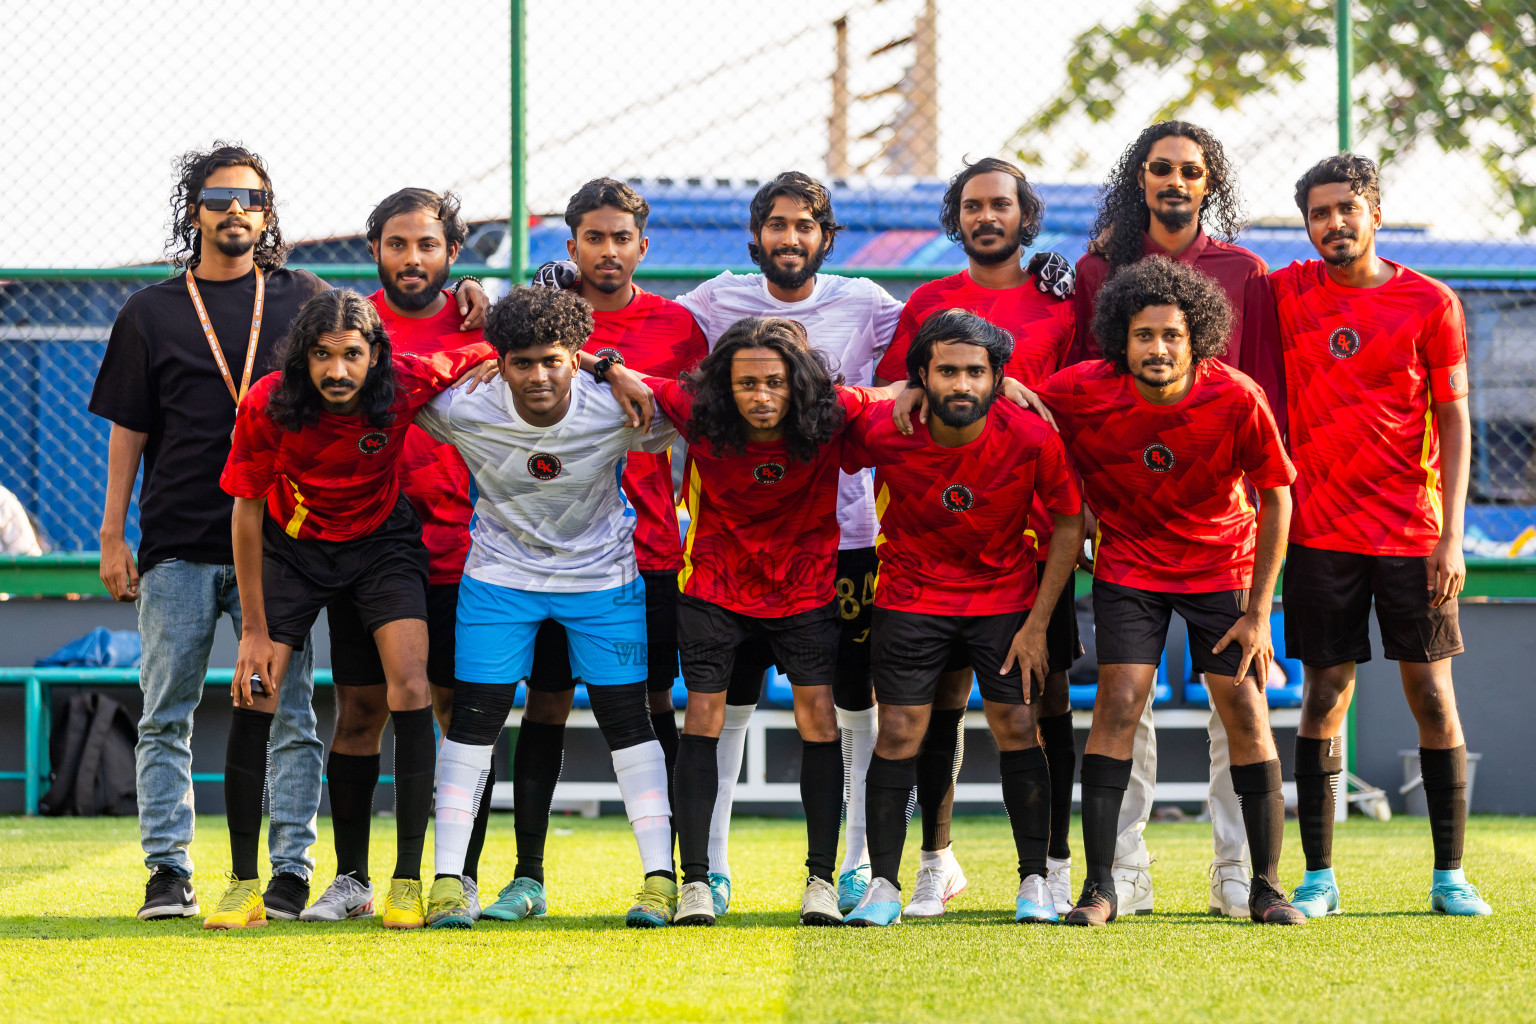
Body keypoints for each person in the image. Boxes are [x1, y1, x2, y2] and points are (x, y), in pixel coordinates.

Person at [90, 144, 489, 924]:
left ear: (269, 211)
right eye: (217, 196)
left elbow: (418, 322)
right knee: (173, 708)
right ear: (193, 207)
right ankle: (173, 873)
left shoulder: (308, 295)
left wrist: (478, 293)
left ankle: (299, 873)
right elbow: (131, 428)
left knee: (305, 713)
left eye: (250, 197)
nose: (234, 209)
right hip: (188, 538)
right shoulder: (153, 312)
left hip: (317, 546)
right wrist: (113, 532)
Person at [1030, 257, 1304, 926]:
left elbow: (1277, 498)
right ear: (1121, 341)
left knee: (1243, 708)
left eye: (1172, 336)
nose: (1158, 348)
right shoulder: (1082, 389)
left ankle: (1262, 886)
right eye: (1144, 335)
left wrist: (1260, 612)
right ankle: (1102, 887)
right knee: (1119, 702)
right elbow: (1020, 401)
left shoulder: (1236, 396)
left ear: (1196, 338)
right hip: (1131, 565)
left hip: (1221, 565)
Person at [608, 316, 906, 927]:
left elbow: (890, 391)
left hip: (804, 591)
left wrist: (984, 385)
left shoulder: (829, 411)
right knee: (705, 717)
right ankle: (695, 883)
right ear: (726, 385)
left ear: (797, 383)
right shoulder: (698, 409)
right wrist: (605, 362)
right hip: (715, 585)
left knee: (818, 718)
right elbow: (622, 373)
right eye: (747, 384)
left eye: (774, 382)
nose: (762, 396)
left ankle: (821, 880)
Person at [214, 289, 493, 930]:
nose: (337, 370)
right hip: (297, 549)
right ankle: (242, 884)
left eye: (351, 354)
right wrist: (253, 630)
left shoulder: (404, 384)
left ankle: (404, 881)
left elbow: (490, 350)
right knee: (254, 690)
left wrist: (479, 314)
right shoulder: (268, 405)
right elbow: (247, 507)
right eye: (321, 355)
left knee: (412, 684)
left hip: (382, 547)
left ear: (375, 356)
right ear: (301, 360)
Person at [1067, 121, 1286, 917]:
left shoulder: (1243, 271)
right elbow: (1076, 395)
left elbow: (1256, 393)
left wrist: (1259, 550)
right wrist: (1085, 504)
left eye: (1190, 170)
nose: (1174, 181)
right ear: (1140, 180)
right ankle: (1120, 872)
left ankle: (1243, 872)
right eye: (1159, 168)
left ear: (1207, 183)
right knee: (1126, 702)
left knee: (1240, 706)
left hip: (1220, 536)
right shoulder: (1099, 269)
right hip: (1128, 536)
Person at [672, 171, 903, 913]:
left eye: (805, 225)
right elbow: (637, 330)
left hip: (844, 541)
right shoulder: (715, 298)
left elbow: (934, 351)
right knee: (724, 707)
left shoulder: (865, 302)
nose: (790, 237)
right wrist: (564, 294)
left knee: (850, 701)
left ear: (825, 238)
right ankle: (707, 871)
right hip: (728, 548)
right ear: (757, 235)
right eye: (777, 224)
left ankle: (856, 863)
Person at [414, 286, 680, 930]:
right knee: (473, 723)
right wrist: (469, 355)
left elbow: (697, 408)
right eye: (522, 361)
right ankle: (449, 881)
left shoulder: (616, 405)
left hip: (602, 581)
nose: (537, 376)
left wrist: (608, 367)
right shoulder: (464, 405)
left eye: (553, 361)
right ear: (500, 361)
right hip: (499, 580)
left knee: (628, 720)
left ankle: (660, 881)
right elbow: (393, 387)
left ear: (575, 358)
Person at [483, 179, 707, 923]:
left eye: (622, 238)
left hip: (649, 552)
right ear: (571, 244)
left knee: (647, 709)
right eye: (593, 238)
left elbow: (696, 406)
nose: (608, 251)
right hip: (550, 558)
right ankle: (527, 876)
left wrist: (623, 369)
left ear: (643, 246)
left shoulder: (676, 325)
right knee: (542, 704)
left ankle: (676, 876)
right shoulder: (540, 322)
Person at [1274, 154, 1490, 917]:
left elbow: (1457, 419)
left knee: (1432, 694)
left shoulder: (1429, 301)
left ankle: (1450, 875)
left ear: (1374, 211)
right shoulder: (1288, 292)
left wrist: (1452, 535)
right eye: (1319, 212)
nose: (1334, 222)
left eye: (1346, 208)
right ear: (1307, 223)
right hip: (1320, 534)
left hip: (1412, 534)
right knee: (1325, 692)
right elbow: (1208, 280)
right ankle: (1319, 875)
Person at [873, 157, 1080, 917]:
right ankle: (936, 859)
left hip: (1035, 537)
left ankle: (1051, 863)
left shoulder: (1062, 295)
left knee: (1041, 702)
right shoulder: (930, 300)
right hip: (944, 544)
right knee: (940, 706)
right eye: (970, 205)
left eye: (1000, 204)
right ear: (955, 218)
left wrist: (1026, 392)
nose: (985, 216)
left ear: (1026, 215)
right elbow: (900, 392)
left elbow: (1093, 379)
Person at [841, 309, 1083, 927]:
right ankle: (885, 887)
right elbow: (827, 429)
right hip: (910, 599)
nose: (961, 384)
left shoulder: (1030, 436)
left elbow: (1067, 522)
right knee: (898, 732)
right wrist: (889, 390)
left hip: (1002, 603)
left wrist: (1036, 622)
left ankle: (1034, 885)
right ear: (922, 374)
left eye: (976, 371)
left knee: (1016, 725)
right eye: (946, 371)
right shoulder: (888, 427)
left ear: (997, 377)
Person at [301, 188, 496, 922]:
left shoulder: (486, 324)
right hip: (360, 545)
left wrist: (489, 298)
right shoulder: (345, 331)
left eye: (427, 245)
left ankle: (457, 875)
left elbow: (559, 318)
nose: (411, 258)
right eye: (396, 243)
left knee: (457, 710)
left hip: (456, 549)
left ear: (452, 251)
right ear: (374, 248)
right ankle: (352, 880)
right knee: (359, 709)